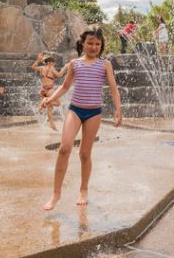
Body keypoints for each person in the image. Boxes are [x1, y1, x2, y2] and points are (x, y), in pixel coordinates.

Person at [41, 28, 122, 210]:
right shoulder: (75, 64)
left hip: (94, 113)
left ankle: (83, 189)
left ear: (101, 45)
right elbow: (65, 87)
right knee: (64, 148)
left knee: (85, 153)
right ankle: (56, 194)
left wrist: (118, 110)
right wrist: (50, 98)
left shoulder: (105, 65)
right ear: (83, 44)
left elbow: (113, 88)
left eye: (98, 44)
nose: (94, 47)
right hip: (75, 110)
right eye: (90, 43)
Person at [32, 52, 69, 131]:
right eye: (53, 63)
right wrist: (65, 67)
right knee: (58, 103)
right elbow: (59, 75)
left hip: (43, 90)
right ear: (50, 63)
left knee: (49, 108)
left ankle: (52, 125)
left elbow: (33, 67)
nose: (54, 64)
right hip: (49, 90)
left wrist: (38, 60)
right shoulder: (51, 68)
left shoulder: (41, 68)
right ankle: (44, 103)